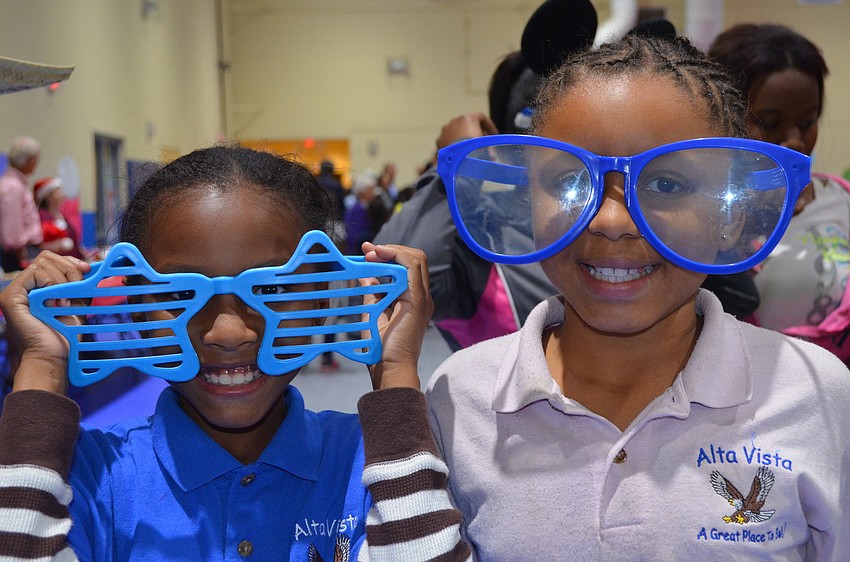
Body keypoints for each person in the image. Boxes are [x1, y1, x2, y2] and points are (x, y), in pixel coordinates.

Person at [422, 33, 849, 559]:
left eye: (666, 185)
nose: (611, 221)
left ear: (732, 214)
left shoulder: (814, 394)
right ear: (526, 202)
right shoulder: (459, 397)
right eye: (568, 183)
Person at [0, 146, 470, 561]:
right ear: (136, 305)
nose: (228, 331)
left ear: (325, 297)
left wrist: (395, 374)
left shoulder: (377, 461)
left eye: (270, 286)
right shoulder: (83, 474)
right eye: (182, 292)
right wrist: (39, 369)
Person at [708, 24, 850, 363]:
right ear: (727, 119)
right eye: (771, 124)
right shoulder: (706, 215)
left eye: (808, 121)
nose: (797, 141)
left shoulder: (841, 199)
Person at [0, 135, 43, 273]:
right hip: (20, 255)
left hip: (22, 251)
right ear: (29, 160)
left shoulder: (16, 185)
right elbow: (11, 234)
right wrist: (22, 256)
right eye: (35, 159)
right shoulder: (12, 187)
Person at [33, 176, 85, 260]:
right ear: (48, 196)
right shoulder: (42, 216)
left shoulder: (61, 215)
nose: (62, 195)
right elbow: (41, 244)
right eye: (58, 192)